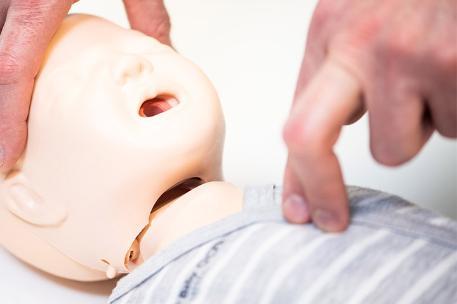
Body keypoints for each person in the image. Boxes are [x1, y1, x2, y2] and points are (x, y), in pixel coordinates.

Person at [1, 15, 456, 304]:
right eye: (80, 79)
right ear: (30, 199)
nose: (132, 63)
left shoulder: (325, 199)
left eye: (139, 45)